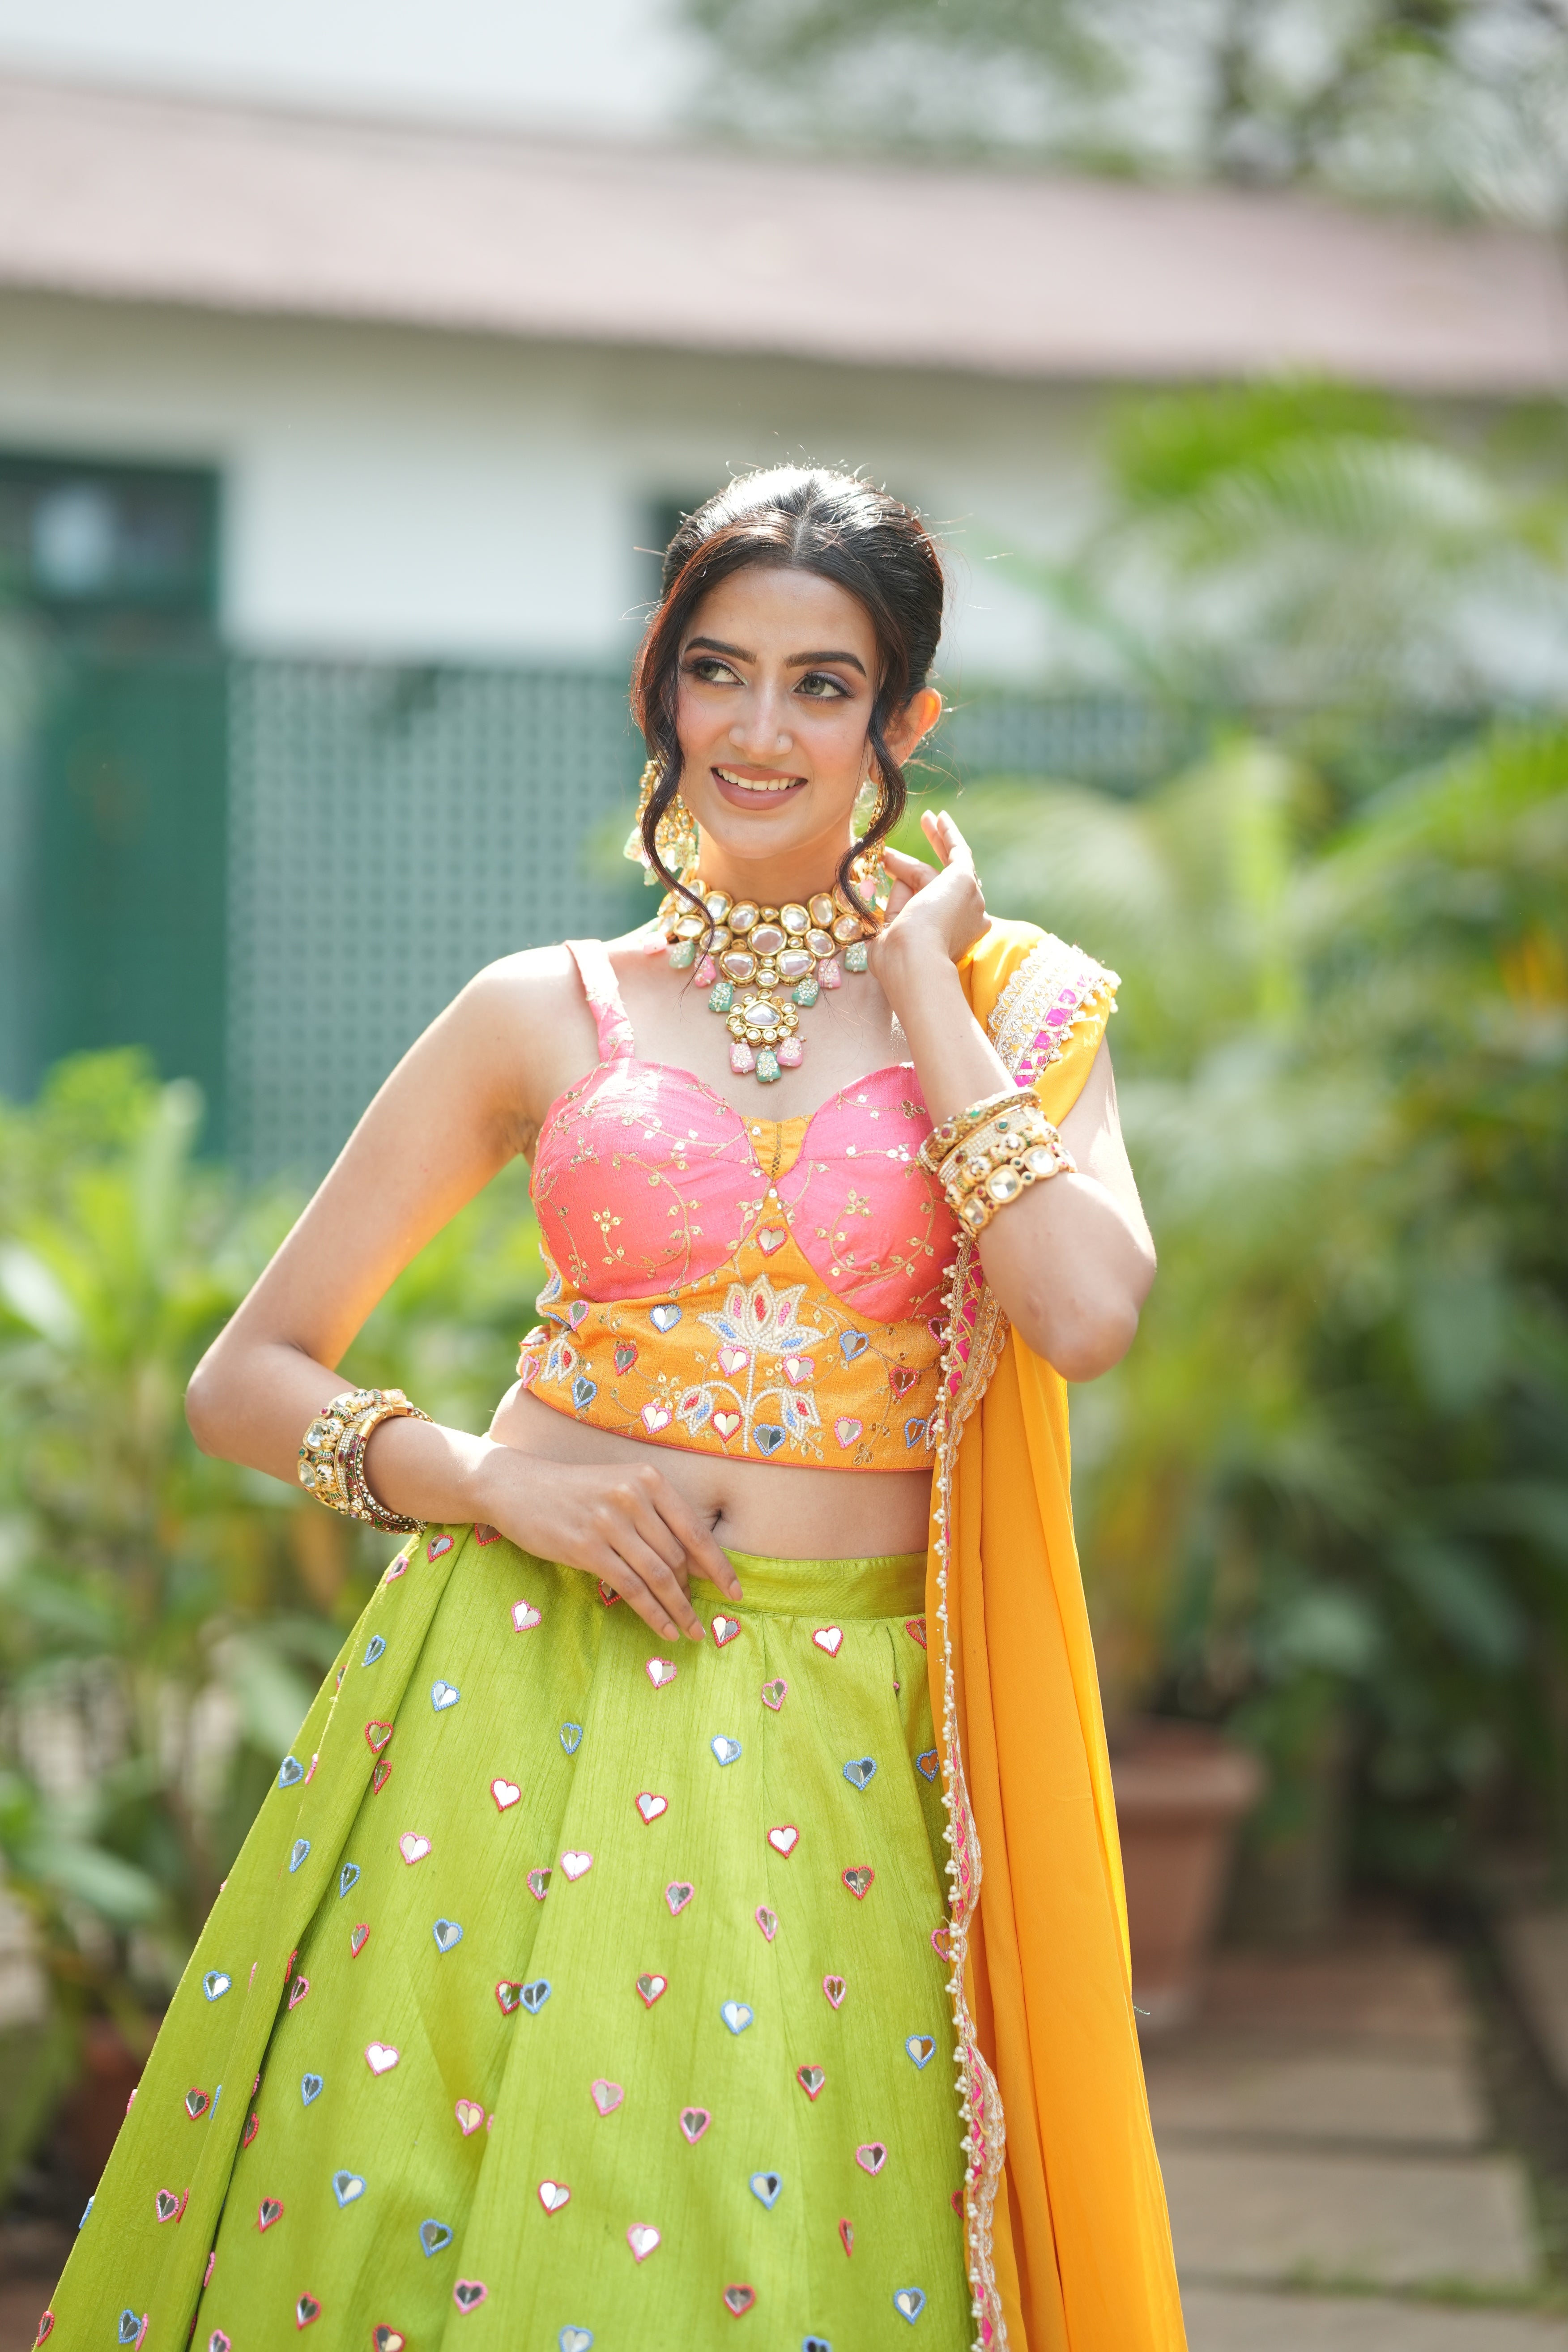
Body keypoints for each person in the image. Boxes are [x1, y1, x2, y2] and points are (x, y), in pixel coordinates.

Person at [43, 469, 1185, 2352]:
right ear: (661, 687)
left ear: (903, 723)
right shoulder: (541, 1010)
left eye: (824, 686)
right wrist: (491, 1484)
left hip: (848, 1745)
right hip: (516, 1703)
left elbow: (1083, 1310)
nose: (760, 729)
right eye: (719, 671)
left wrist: (926, 988)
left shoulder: (1020, 1008)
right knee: (439, 2250)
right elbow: (247, 1378)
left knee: (788, 2257)